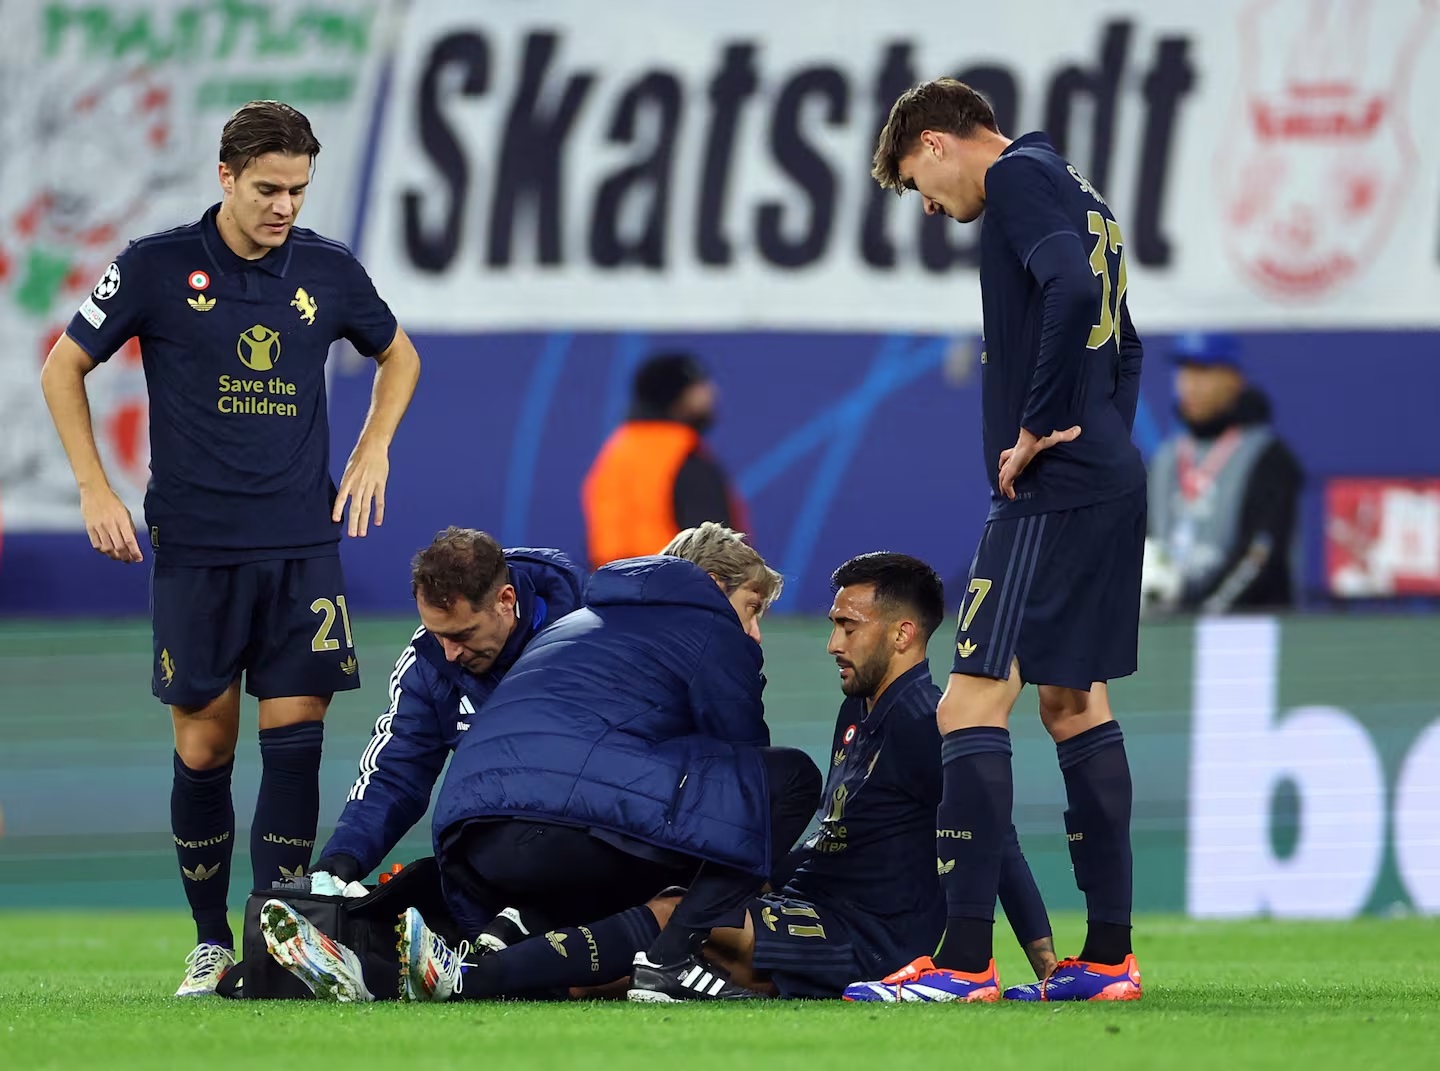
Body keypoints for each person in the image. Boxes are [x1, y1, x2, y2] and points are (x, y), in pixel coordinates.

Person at [38, 100, 421, 996]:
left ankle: (275, 941)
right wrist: (95, 488)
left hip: (299, 547)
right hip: (199, 549)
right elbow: (64, 367)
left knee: (296, 744)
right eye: (267, 189)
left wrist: (374, 446)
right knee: (206, 749)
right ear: (225, 178)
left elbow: (399, 355)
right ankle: (211, 942)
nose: (284, 205)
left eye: (297, 189)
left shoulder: (327, 269)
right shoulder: (157, 264)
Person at [848, 80, 1146, 1003]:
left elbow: (1067, 285)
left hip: (1050, 491)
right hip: (1103, 479)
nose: (930, 208)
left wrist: (1044, 424)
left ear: (937, 142)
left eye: (918, 185)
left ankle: (965, 961)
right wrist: (1101, 431)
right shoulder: (1076, 185)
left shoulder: (1017, 180)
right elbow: (1126, 340)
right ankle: (1106, 958)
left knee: (967, 705)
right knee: (1073, 703)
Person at [632, 552, 1056, 1001]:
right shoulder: (857, 709)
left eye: (848, 628)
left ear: (902, 634)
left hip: (864, 938)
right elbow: (839, 839)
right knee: (666, 905)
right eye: (835, 625)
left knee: (673, 915)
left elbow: (995, 835)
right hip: (809, 904)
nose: (834, 643)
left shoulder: (924, 723)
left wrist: (1044, 962)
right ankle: (566, 974)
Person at [307, 528, 584, 890]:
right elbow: (397, 773)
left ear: (505, 600)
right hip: (498, 864)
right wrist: (342, 859)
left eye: (462, 634)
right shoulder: (429, 662)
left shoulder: (595, 638)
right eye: (437, 633)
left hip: (593, 852)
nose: (449, 653)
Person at [1143, 333, 1303, 613]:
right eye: (1184, 371)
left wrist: (1207, 612)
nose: (1189, 385)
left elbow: (1260, 554)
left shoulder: (1267, 456)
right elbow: (1145, 541)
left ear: (1233, 379)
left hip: (1247, 631)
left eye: (1203, 372)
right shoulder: (1165, 459)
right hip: (1169, 631)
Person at [581, 352, 745, 570]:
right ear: (676, 398)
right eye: (700, 386)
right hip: (673, 589)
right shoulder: (683, 456)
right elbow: (714, 547)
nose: (712, 393)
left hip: (612, 589)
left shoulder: (616, 452)